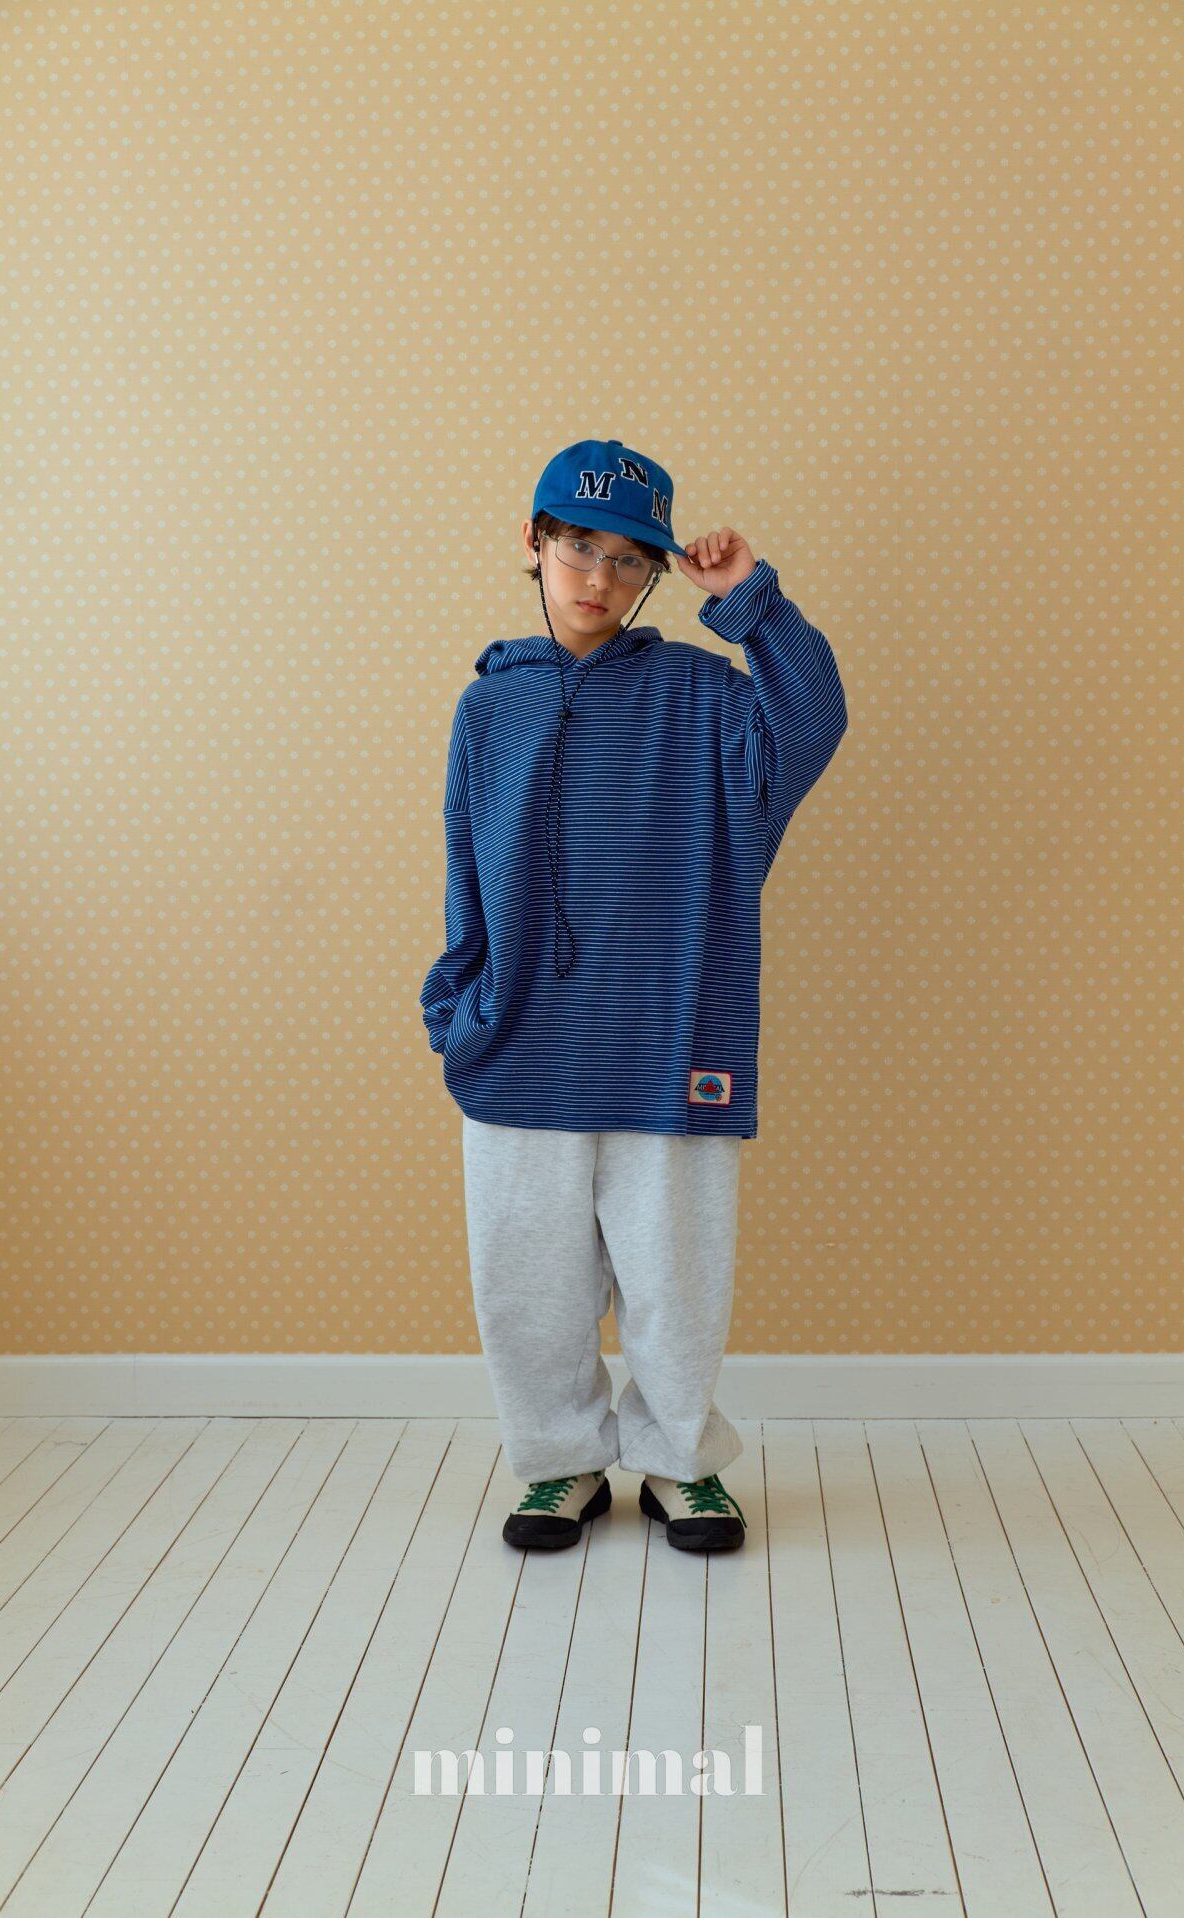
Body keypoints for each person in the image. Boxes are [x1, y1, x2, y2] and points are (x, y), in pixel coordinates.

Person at [419, 438, 848, 1555]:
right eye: (577, 548)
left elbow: (811, 723)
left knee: (675, 1284)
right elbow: (467, 869)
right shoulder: (488, 711)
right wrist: (458, 1008)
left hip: (675, 1038)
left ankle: (679, 1464)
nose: (597, 579)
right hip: (518, 1048)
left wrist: (748, 601)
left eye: (626, 560)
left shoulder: (704, 700)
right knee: (529, 1287)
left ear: (654, 572)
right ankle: (558, 1463)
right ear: (533, 542)